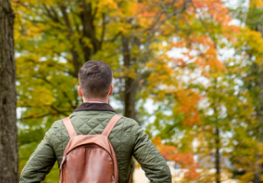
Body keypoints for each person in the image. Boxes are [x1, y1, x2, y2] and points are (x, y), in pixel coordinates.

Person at [20, 60, 172, 183]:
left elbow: (28, 176)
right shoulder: (128, 128)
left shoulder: (59, 128)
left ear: (80, 90)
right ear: (110, 89)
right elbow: (161, 174)